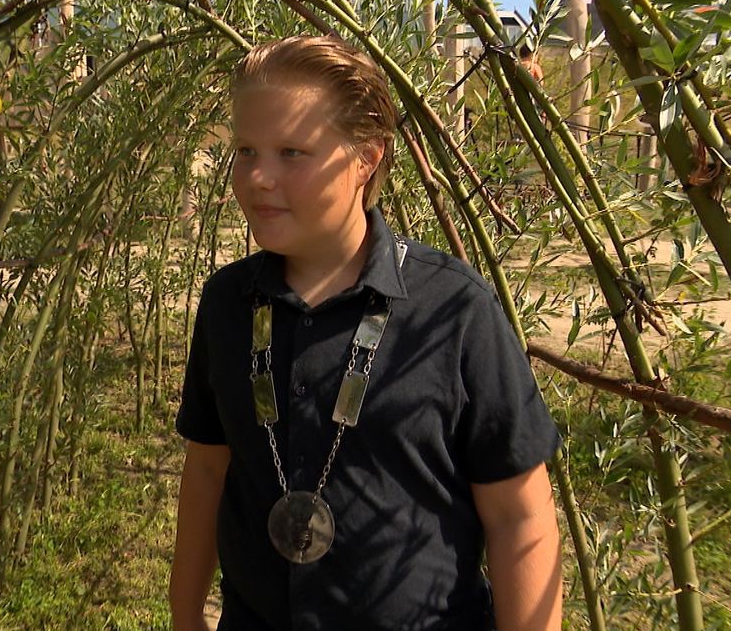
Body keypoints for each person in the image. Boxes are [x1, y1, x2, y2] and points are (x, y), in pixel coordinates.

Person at [170, 35, 562, 630]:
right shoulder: (227, 303)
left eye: (291, 153)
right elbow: (206, 467)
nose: (258, 177)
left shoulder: (453, 311)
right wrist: (183, 610)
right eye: (246, 150)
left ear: (366, 158)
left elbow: (520, 516)